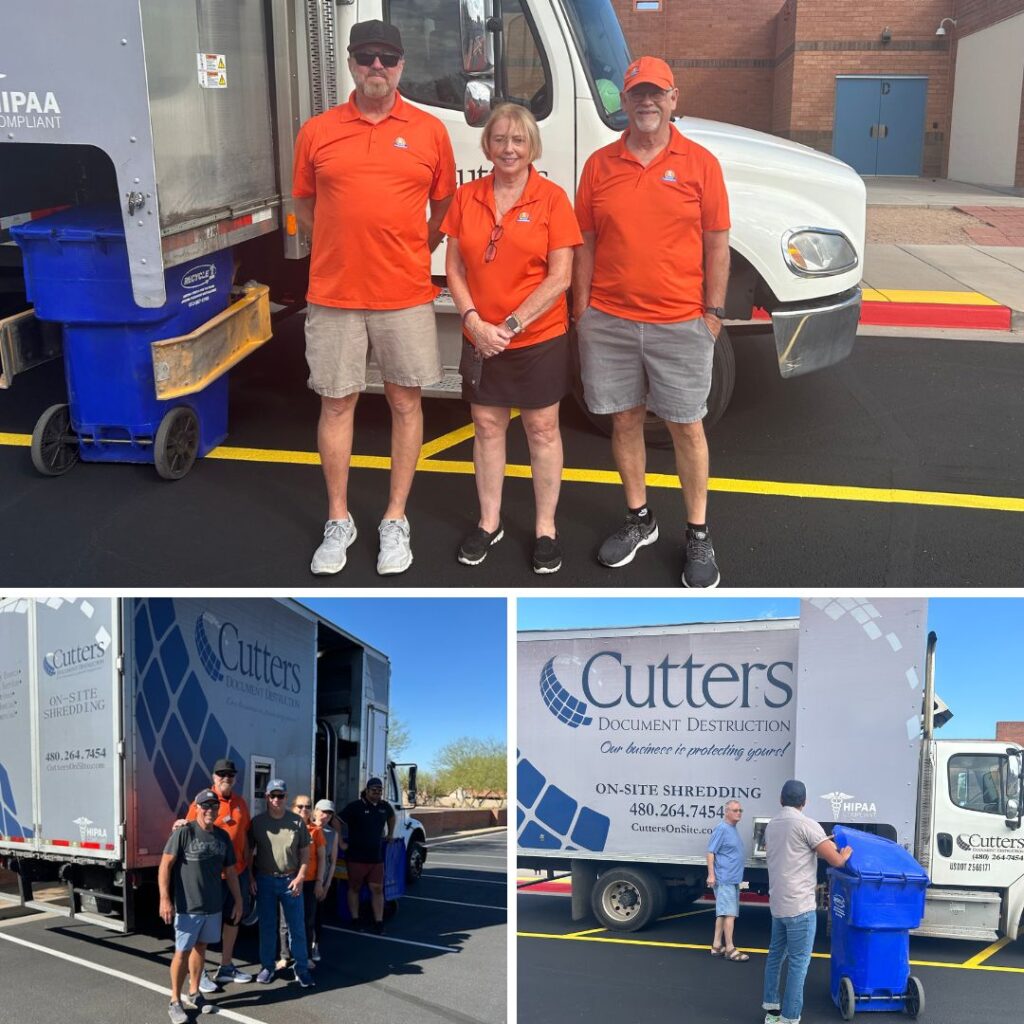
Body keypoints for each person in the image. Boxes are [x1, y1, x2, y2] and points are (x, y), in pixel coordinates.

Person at [293, 19, 456, 577]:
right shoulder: (318, 131)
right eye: (366, 57)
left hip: (404, 294)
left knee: (406, 403)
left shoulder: (431, 131)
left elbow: (443, 209)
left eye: (387, 57)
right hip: (334, 294)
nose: (377, 67)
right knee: (336, 403)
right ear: (351, 63)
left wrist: (415, 249)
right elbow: (305, 204)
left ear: (402, 65)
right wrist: (339, 247)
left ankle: (394, 518)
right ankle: (338, 519)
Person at [573, 55, 731, 588]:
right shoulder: (598, 165)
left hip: (681, 322)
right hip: (610, 321)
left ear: (673, 98)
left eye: (656, 93)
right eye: (636, 93)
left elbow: (717, 244)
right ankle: (639, 519)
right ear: (624, 100)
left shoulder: (701, 164)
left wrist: (712, 313)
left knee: (687, 426)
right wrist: (583, 311)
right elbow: (586, 243)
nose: (646, 102)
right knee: (623, 420)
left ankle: (698, 534)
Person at [443, 103, 582, 574]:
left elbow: (561, 276)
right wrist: (475, 321)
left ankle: (546, 528)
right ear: (487, 146)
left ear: (531, 148)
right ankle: (489, 522)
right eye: (499, 139)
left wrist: (511, 326)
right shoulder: (467, 198)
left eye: (518, 141)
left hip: (537, 337)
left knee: (542, 430)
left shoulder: (552, 199)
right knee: (487, 427)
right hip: (481, 335)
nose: (508, 148)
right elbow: (454, 266)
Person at [762, 779, 853, 1024]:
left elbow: (792, 849)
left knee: (775, 957)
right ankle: (790, 1017)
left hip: (778, 905)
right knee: (798, 964)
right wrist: (844, 854)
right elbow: (835, 860)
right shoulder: (808, 825)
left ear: (781, 800)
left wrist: (816, 843)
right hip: (800, 908)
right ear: (805, 802)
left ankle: (771, 1012)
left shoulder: (772, 825)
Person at [159, 789, 241, 1024]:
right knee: (181, 952)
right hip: (188, 907)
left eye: (213, 807)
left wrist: (239, 899)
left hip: (213, 906)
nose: (210, 810)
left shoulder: (223, 837)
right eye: (205, 806)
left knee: (201, 948)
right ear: (196, 808)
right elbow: (165, 865)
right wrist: (165, 899)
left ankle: (194, 992)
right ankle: (175, 1000)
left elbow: (231, 871)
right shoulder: (184, 832)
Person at [179, 757, 253, 991]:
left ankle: (226, 967)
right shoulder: (203, 802)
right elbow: (189, 833)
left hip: (237, 872)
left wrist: (249, 873)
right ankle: (197, 976)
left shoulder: (241, 803)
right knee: (201, 928)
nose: (226, 778)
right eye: (221, 774)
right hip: (211, 876)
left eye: (230, 775)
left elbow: (246, 838)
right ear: (213, 777)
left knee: (234, 918)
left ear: (235, 778)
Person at [248, 778, 314, 988]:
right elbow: (248, 852)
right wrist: (250, 877)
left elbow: (305, 853)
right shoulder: (257, 822)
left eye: (281, 795)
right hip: (265, 879)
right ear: (267, 797)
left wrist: (301, 877)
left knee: (297, 927)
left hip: (290, 880)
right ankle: (267, 967)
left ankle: (301, 968)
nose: (277, 799)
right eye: (273, 795)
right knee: (267, 927)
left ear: (286, 797)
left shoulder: (296, 822)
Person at [339, 777, 396, 934]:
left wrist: (390, 833)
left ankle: (378, 922)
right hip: (356, 857)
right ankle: (355, 920)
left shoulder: (385, 807)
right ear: (367, 790)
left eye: (379, 791)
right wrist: (340, 842)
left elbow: (392, 817)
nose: (377, 793)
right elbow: (336, 821)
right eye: (373, 790)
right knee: (354, 888)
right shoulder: (355, 806)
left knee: (377, 889)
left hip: (376, 858)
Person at [277, 794, 327, 970]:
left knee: (307, 921)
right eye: (300, 806)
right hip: (289, 881)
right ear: (293, 807)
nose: (304, 810)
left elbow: (322, 858)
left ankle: (304, 956)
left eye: (307, 806)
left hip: (310, 881)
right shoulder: (285, 828)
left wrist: (320, 881)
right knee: (285, 921)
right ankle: (285, 956)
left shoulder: (316, 831)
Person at [706, 799, 748, 961]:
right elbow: (710, 852)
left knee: (723, 913)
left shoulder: (732, 829)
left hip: (732, 879)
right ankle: (730, 948)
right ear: (727, 812)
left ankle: (717, 945)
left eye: (740, 810)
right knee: (729, 914)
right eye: (735, 810)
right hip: (725, 879)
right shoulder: (722, 829)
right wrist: (711, 875)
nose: (738, 813)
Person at [311, 798, 340, 961]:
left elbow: (333, 861)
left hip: (321, 882)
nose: (325, 815)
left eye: (329, 813)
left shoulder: (332, 834)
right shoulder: (305, 828)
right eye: (322, 811)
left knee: (317, 916)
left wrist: (327, 884)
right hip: (306, 879)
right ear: (315, 811)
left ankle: (315, 945)